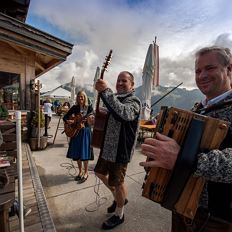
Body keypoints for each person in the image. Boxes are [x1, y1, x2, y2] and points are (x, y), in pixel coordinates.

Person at [140, 46, 232, 231]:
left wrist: (183, 159)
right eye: (198, 71)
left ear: (229, 70)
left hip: (216, 219)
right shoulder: (198, 109)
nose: (201, 75)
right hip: (179, 205)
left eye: (210, 68)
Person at [94, 71, 141, 230]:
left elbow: (124, 114)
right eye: (118, 80)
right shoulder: (114, 98)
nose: (120, 83)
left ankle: (119, 214)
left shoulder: (134, 101)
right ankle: (119, 197)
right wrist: (96, 117)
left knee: (118, 183)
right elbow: (110, 114)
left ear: (132, 85)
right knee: (100, 173)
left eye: (124, 81)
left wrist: (105, 91)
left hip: (121, 150)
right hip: (107, 148)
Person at [63, 90, 94, 184]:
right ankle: (80, 171)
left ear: (85, 98)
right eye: (79, 96)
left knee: (85, 152)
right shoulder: (75, 107)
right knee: (77, 153)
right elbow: (65, 117)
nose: (80, 98)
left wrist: (90, 120)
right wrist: (69, 121)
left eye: (82, 97)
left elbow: (91, 120)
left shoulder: (89, 108)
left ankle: (86, 172)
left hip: (85, 132)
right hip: (76, 132)